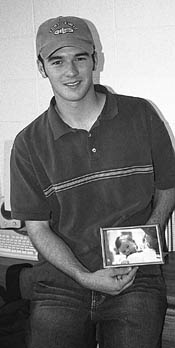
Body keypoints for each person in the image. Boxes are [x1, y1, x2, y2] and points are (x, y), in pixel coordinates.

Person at [10, 15, 175, 348]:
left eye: (79, 58)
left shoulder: (141, 115)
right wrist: (84, 276)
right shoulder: (28, 143)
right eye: (57, 61)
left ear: (95, 59)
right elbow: (38, 228)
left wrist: (142, 251)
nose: (71, 72)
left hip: (135, 277)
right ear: (42, 67)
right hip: (62, 284)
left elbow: (168, 187)